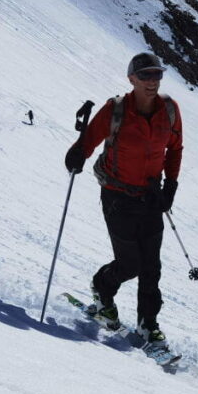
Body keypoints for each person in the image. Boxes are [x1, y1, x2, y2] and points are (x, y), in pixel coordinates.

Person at [64, 52, 183, 346]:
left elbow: (175, 148)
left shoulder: (169, 109)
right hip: (117, 196)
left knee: (151, 267)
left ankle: (148, 324)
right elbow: (89, 139)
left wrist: (170, 186)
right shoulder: (116, 110)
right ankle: (102, 289)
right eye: (145, 76)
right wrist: (76, 155)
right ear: (131, 79)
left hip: (151, 197)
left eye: (157, 75)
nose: (152, 81)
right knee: (130, 264)